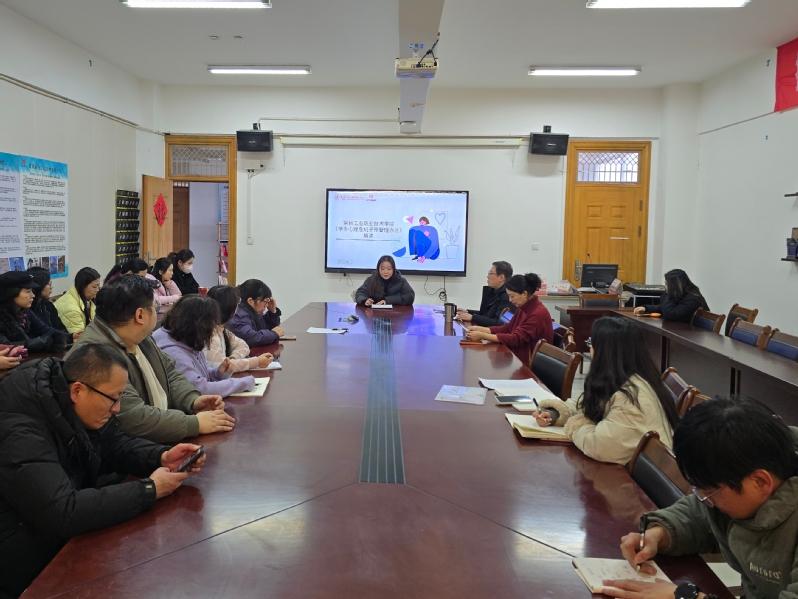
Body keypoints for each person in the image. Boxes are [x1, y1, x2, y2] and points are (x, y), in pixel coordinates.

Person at [0, 343, 205, 599]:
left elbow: (112, 445)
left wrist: (160, 456)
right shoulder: (19, 430)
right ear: (77, 390)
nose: (116, 408)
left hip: (58, 546)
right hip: (23, 569)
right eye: (113, 398)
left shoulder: (64, 396)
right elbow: (63, 511)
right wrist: (149, 490)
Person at [607, 398, 798, 599]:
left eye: (711, 492)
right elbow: (699, 515)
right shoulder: (742, 479)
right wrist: (658, 534)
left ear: (760, 482)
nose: (706, 501)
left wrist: (687, 597)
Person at [74, 274, 235, 443]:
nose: (157, 311)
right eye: (155, 306)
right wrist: (194, 424)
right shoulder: (95, 355)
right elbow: (132, 417)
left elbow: (169, 371)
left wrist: (191, 400)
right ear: (140, 315)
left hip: (156, 440)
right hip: (130, 449)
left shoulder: (139, 336)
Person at [531, 316, 680, 466]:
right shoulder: (624, 377)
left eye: (592, 343)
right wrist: (556, 413)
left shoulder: (631, 397)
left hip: (636, 478)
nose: (590, 349)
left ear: (605, 352)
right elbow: (586, 403)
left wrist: (575, 424)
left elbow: (600, 447)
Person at [153, 296, 256, 398]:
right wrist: (242, 383)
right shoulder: (173, 351)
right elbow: (198, 389)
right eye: (211, 324)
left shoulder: (187, 337)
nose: (212, 329)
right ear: (199, 325)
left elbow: (204, 374)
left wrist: (220, 372)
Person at [465, 272, 552, 364]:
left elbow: (515, 339)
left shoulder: (537, 313)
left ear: (524, 294)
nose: (510, 300)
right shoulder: (524, 308)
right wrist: (481, 329)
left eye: (512, 296)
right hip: (517, 358)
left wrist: (483, 335)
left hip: (528, 364)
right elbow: (507, 328)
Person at [0, 271, 76, 353]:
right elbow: (6, 347)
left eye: (32, 291)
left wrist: (71, 337)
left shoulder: (24, 312)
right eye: (28, 292)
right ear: (12, 293)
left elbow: (44, 329)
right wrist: (47, 342)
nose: (33, 295)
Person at [206, 285, 274, 371]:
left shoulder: (221, 328)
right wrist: (256, 362)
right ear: (229, 308)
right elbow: (220, 368)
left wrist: (231, 360)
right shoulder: (210, 334)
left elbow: (243, 346)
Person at [633, 269, 709, 323]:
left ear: (674, 286)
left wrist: (670, 293)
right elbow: (665, 307)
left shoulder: (692, 299)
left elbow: (669, 314)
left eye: (667, 284)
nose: (665, 287)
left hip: (694, 336)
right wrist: (646, 308)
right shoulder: (684, 293)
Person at [227, 279, 285, 348]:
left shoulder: (252, 313)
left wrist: (273, 312)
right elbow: (252, 339)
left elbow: (268, 329)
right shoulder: (238, 316)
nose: (267, 305)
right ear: (250, 301)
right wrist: (274, 334)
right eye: (265, 301)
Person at [456, 261, 514, 327]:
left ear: (501, 277)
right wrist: (468, 312)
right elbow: (485, 315)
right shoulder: (493, 291)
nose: (487, 276)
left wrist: (473, 317)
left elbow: (498, 323)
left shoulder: (507, 296)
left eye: (490, 273)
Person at [54, 267, 101, 334]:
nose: (97, 290)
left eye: (98, 286)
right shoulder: (71, 309)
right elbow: (79, 336)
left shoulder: (88, 300)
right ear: (83, 286)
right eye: (94, 287)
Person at [27, 266, 67, 333]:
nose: (51, 287)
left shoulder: (48, 305)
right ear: (38, 285)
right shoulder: (28, 310)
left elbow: (61, 328)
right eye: (48, 283)